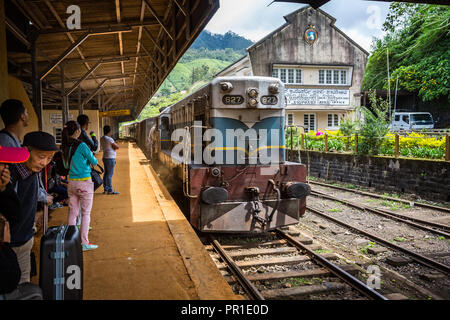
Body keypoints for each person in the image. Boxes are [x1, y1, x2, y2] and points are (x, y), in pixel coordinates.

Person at [5, 132, 58, 284]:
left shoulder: (33, 171)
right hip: (9, 244)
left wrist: (44, 198)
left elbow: (34, 192)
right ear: (26, 151)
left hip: (25, 239)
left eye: (49, 158)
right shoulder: (10, 175)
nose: (44, 163)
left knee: (24, 283)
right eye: (41, 157)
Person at [61, 121, 98, 251]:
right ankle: (84, 243)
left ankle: (70, 240)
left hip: (71, 183)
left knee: (73, 212)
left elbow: (65, 166)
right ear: (77, 131)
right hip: (84, 183)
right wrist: (90, 158)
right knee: (86, 213)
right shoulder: (81, 145)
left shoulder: (64, 146)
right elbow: (94, 161)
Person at [100, 125, 119, 195]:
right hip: (110, 158)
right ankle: (110, 190)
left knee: (106, 174)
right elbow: (117, 147)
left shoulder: (102, 138)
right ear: (109, 131)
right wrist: (116, 143)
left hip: (105, 157)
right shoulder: (110, 139)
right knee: (109, 175)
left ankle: (105, 189)